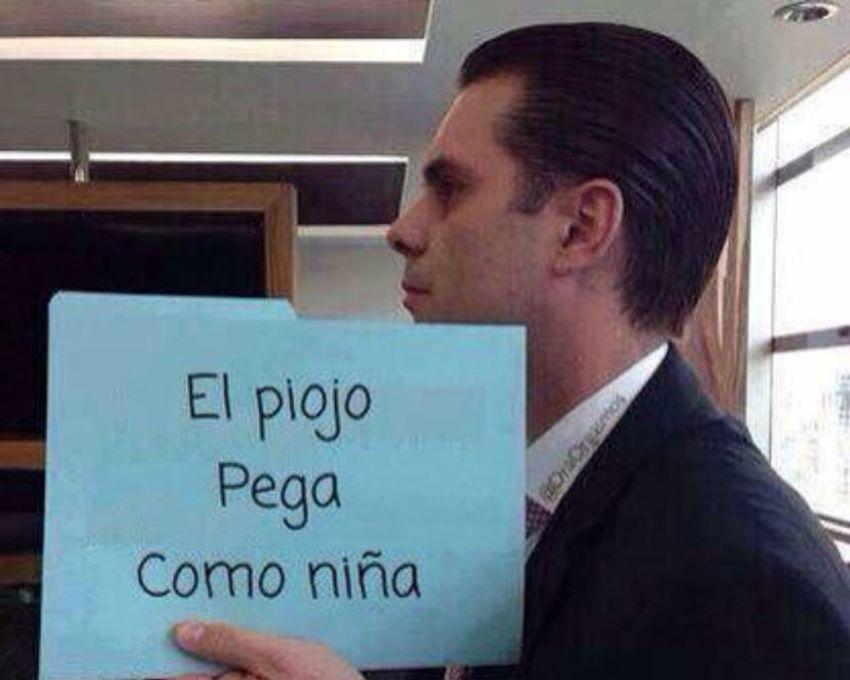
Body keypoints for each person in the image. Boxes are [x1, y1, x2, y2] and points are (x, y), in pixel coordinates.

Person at [168, 23, 850, 679]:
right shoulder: (504, 487)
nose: (402, 229)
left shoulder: (746, 580)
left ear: (581, 228)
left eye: (450, 189)